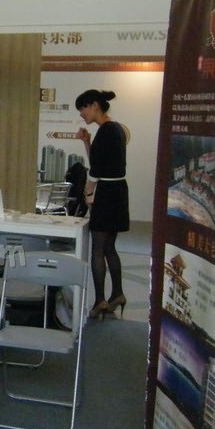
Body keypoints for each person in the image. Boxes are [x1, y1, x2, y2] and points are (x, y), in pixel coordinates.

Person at [75, 89, 129, 320]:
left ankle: (100, 300)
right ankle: (117, 294)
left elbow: (96, 170)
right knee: (109, 247)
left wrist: (88, 192)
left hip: (106, 193)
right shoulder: (114, 129)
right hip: (118, 191)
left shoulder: (106, 131)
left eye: (83, 108)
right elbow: (98, 161)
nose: (82, 114)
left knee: (98, 248)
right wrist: (87, 142)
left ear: (94, 105)